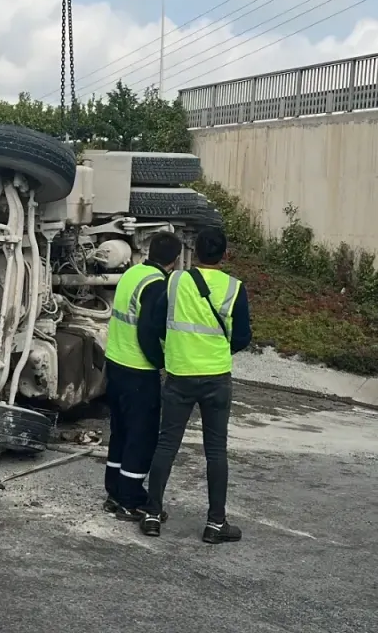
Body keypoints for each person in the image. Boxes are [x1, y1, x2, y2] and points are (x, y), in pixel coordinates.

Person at [137, 226, 251, 543]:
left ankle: (151, 515)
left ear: (194, 252)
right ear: (224, 254)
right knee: (216, 451)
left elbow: (158, 321)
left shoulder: (175, 281)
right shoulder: (234, 287)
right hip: (216, 378)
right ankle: (215, 524)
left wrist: (177, 346)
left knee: (167, 444)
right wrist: (216, 350)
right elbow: (243, 337)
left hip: (179, 374)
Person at [101, 231, 183, 521]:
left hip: (115, 362)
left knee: (121, 431)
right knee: (142, 435)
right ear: (175, 259)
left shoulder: (132, 273)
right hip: (138, 369)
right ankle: (132, 499)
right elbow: (148, 331)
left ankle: (114, 492)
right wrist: (162, 361)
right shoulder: (156, 284)